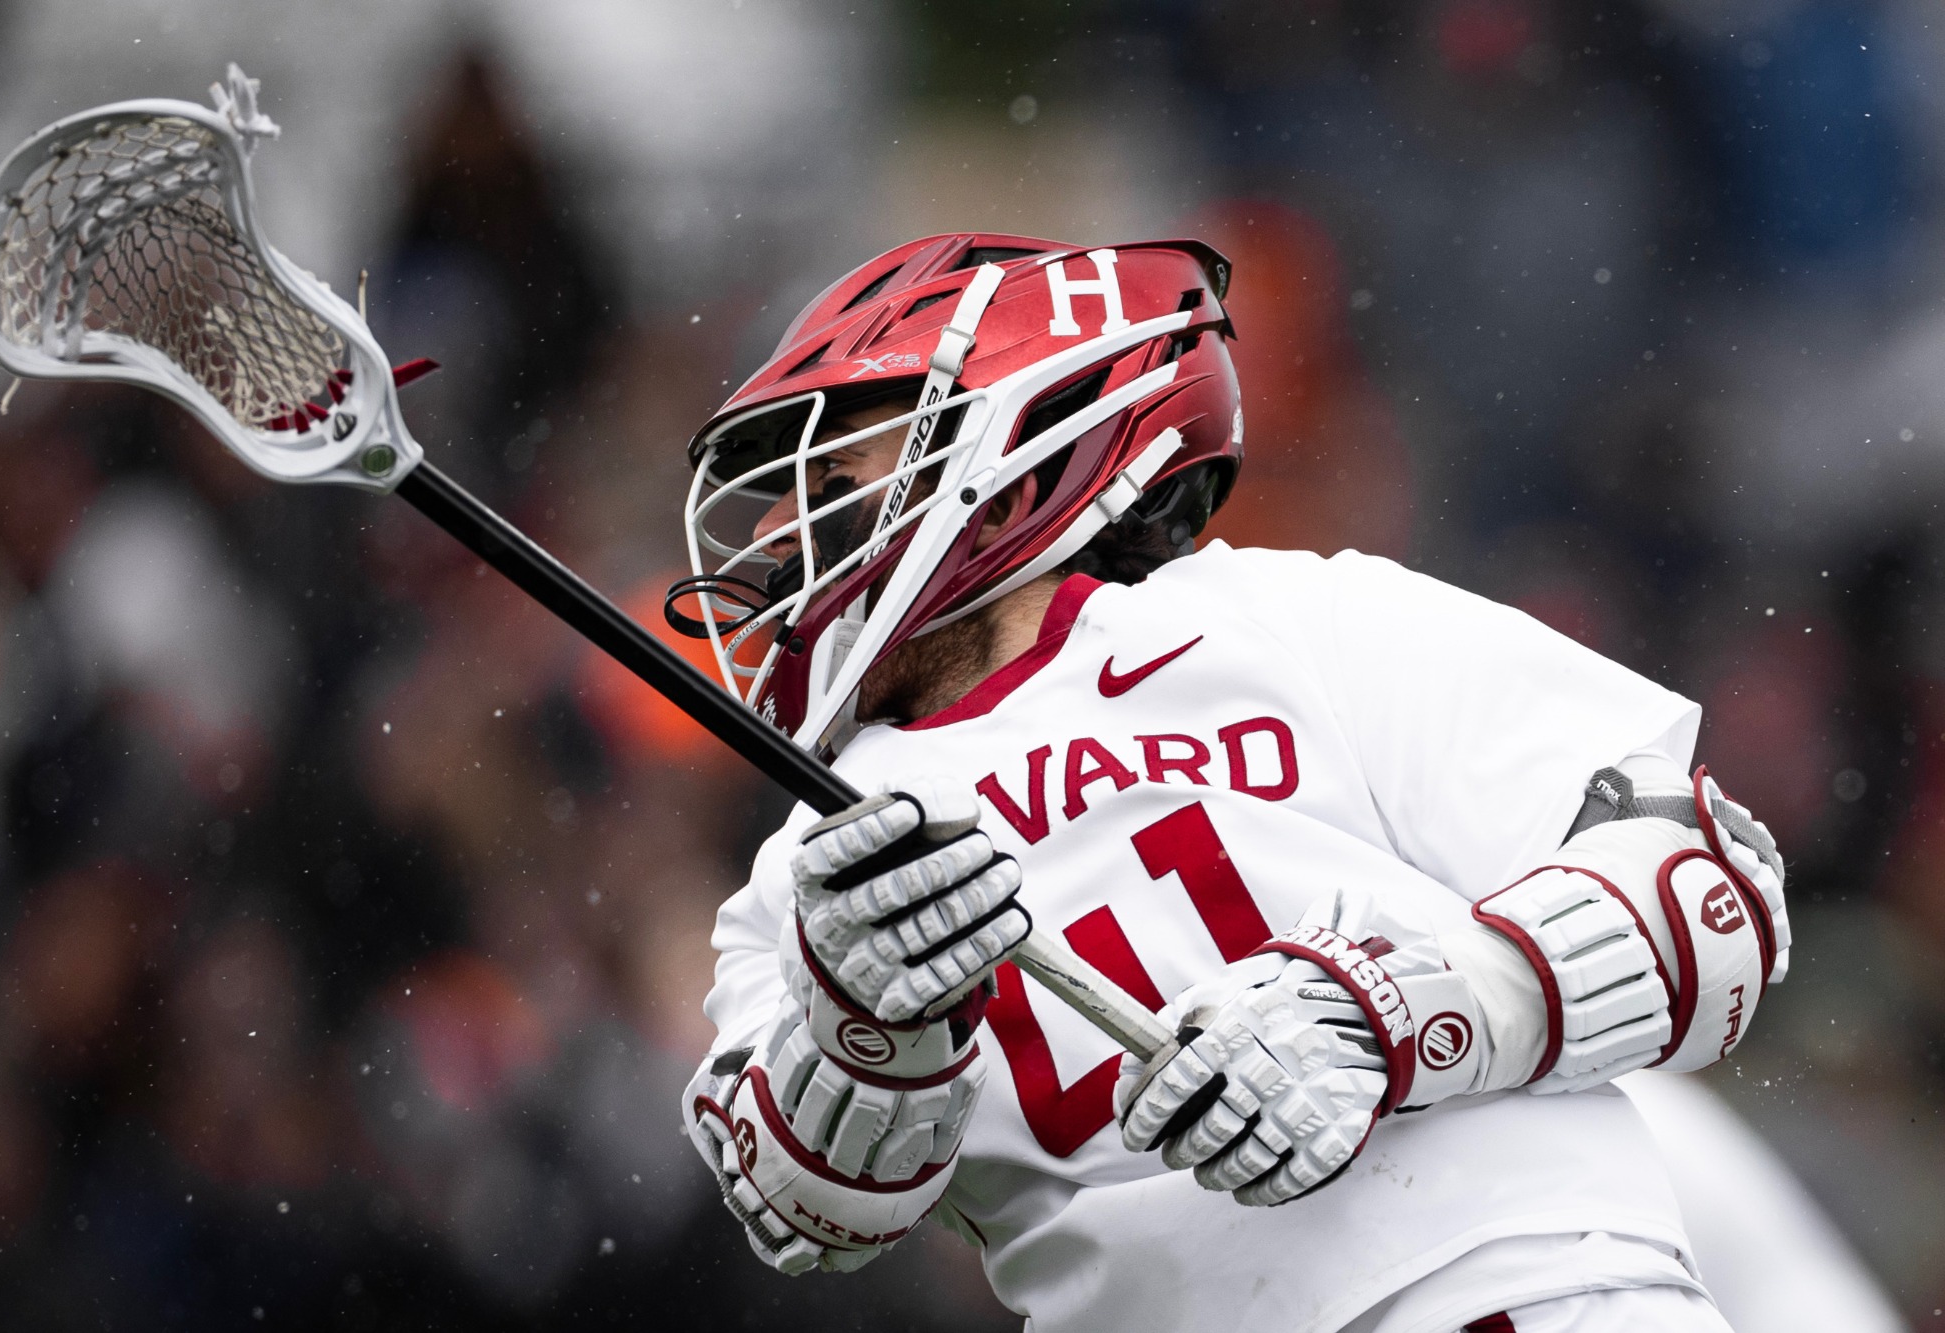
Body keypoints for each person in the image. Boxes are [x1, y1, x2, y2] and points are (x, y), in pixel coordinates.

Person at [674, 235, 1791, 1333]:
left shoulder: (1288, 618)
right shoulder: (805, 870)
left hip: (1515, 1289)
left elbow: (1706, 890)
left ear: (1003, 469)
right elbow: (800, 1215)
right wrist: (868, 1031)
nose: (776, 540)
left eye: (827, 479)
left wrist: (1384, 1019)